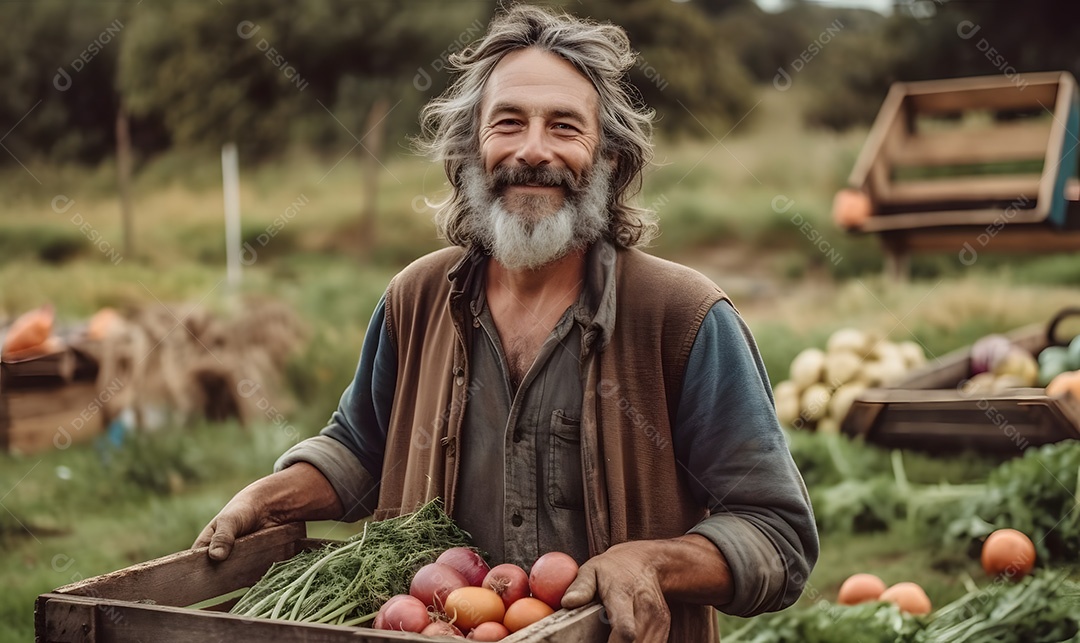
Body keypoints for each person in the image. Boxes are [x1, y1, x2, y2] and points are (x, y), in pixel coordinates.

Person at [194, 5, 817, 641]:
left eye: (565, 127)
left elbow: (777, 533)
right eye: (508, 123)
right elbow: (362, 452)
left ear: (608, 158)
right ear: (472, 149)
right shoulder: (415, 299)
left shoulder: (682, 319)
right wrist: (265, 499)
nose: (532, 150)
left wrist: (650, 561)